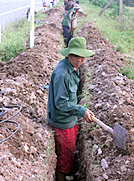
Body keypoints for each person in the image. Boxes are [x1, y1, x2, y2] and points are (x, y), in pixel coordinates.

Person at [47, 37, 95, 181]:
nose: (79, 59)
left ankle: (69, 172)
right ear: (68, 54)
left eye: (82, 56)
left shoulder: (73, 68)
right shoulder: (62, 74)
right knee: (64, 157)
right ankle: (61, 176)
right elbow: (61, 103)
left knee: (68, 153)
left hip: (70, 119)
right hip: (62, 122)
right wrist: (81, 111)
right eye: (75, 56)